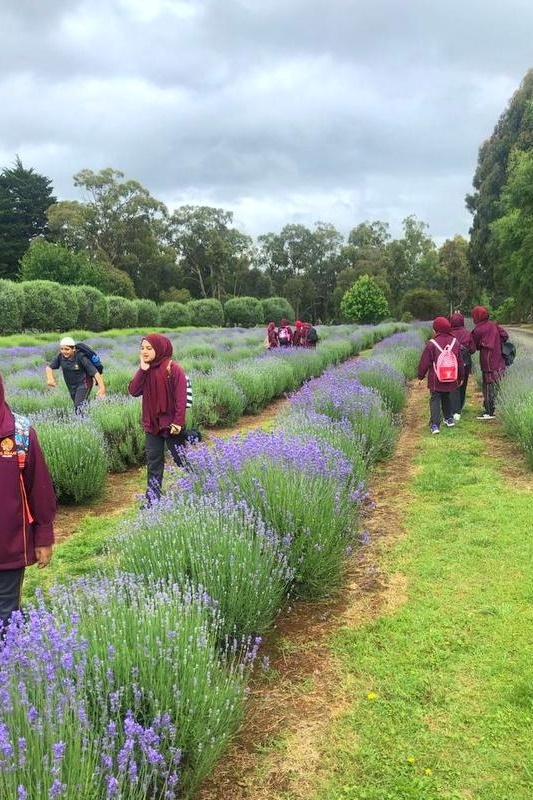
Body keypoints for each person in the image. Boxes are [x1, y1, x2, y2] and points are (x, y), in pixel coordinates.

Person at [0, 373, 55, 629]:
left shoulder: (19, 432)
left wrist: (43, 536)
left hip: (9, 545)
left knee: (6, 616)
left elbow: (39, 487)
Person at [128, 333, 188, 506]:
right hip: (152, 425)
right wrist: (142, 369)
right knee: (154, 463)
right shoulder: (146, 370)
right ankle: (152, 501)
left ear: (159, 349)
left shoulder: (173, 368)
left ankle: (203, 484)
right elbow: (133, 391)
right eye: (142, 348)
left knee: (181, 459)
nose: (144, 351)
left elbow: (181, 398)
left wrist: (178, 421)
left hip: (171, 425)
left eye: (149, 348)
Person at [417, 316, 464, 434]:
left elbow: (425, 362)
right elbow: (459, 361)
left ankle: (435, 425)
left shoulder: (432, 343)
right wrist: (461, 377)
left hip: (436, 378)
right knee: (447, 396)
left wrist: (420, 376)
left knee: (435, 399)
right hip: (450, 376)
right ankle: (449, 419)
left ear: (436, 329)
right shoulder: (455, 342)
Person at [46, 337, 106, 413]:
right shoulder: (60, 356)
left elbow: (95, 373)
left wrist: (102, 389)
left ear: (73, 349)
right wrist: (50, 378)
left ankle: (82, 423)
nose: (64, 351)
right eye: (62, 349)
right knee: (80, 404)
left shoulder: (81, 357)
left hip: (84, 384)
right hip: (71, 385)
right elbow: (49, 367)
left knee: (78, 407)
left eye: (67, 349)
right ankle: (90, 415)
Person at [470, 305, 509, 420]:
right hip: (499, 359)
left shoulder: (478, 330)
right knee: (498, 384)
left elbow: (473, 347)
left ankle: (489, 411)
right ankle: (496, 408)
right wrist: (496, 342)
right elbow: (505, 336)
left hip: (487, 361)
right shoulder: (494, 325)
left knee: (488, 385)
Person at [449, 311, 476, 420]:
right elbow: (473, 349)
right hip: (465, 363)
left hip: (451, 364)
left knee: (451, 386)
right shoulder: (468, 333)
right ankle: (459, 407)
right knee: (462, 385)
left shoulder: (449, 333)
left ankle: (453, 409)